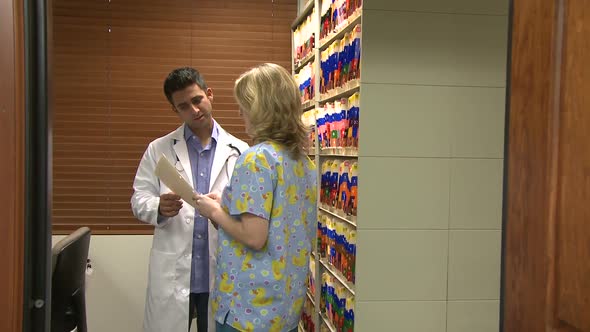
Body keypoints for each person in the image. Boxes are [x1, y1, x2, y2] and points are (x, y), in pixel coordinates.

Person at [194, 63, 317, 332]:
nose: (240, 112)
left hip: (248, 311)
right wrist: (226, 205)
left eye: (245, 105)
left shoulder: (256, 158)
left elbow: (254, 236)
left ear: (263, 108)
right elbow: (277, 223)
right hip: (283, 310)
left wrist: (212, 211)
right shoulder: (302, 163)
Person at [131, 67, 248, 332]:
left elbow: (250, 212)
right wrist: (157, 207)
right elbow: (139, 198)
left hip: (220, 271)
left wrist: (224, 210)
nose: (194, 110)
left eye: (197, 100)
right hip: (174, 272)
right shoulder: (158, 149)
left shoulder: (241, 151)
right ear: (175, 110)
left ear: (209, 94)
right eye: (183, 106)